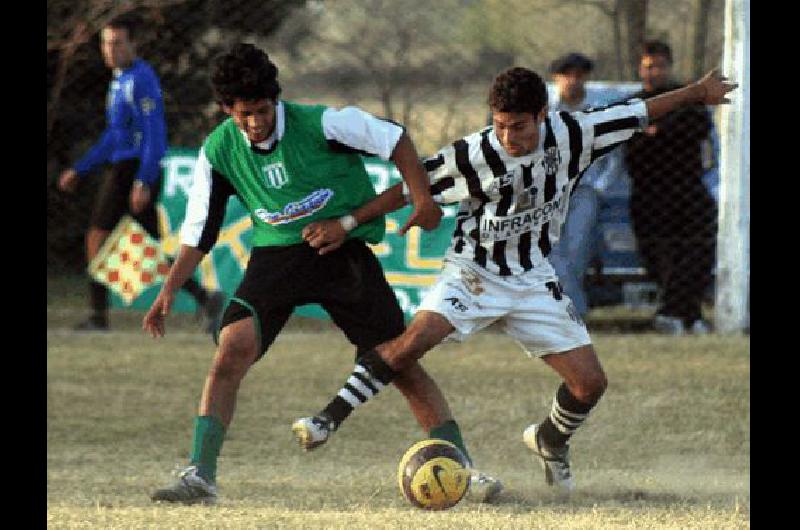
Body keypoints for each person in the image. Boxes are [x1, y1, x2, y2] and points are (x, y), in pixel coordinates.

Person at [293, 66, 736, 493]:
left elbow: (638, 112)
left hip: (531, 276)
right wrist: (348, 222)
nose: (509, 137)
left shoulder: (575, 134)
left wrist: (698, 91)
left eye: (519, 126)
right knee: (414, 342)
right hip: (474, 271)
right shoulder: (475, 154)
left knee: (589, 384)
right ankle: (327, 419)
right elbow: (412, 186)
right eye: (501, 125)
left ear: (543, 115)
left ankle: (550, 441)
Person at [143, 43, 501, 505]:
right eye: (243, 114)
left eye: (262, 110)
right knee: (231, 350)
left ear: (275, 99)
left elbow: (396, 140)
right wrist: (170, 289)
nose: (255, 122)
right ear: (227, 109)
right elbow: (199, 231)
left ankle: (463, 469)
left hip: (342, 252)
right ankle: (200, 476)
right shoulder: (218, 152)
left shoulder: (324, 123)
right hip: (276, 260)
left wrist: (422, 198)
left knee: (400, 364)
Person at [57, 14, 224, 333]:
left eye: (118, 43)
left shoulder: (141, 79)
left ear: (133, 44)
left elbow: (155, 133)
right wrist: (80, 168)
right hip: (123, 168)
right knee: (153, 248)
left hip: (133, 171)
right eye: (107, 43)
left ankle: (98, 317)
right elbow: (113, 135)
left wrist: (143, 180)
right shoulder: (118, 80)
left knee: (97, 237)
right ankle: (205, 298)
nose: (111, 49)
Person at [623, 41, 719, 335]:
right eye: (649, 66)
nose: (654, 72)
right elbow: (632, 148)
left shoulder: (687, 99)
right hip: (649, 192)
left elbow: (695, 128)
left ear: (669, 67)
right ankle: (684, 315)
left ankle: (677, 313)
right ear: (640, 68)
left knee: (698, 249)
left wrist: (657, 130)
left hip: (687, 189)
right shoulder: (632, 104)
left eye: (660, 66)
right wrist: (657, 134)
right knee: (659, 254)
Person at [546, 52, 631, 319]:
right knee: (550, 250)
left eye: (578, 75)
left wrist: (599, 187)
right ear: (556, 78)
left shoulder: (597, 111)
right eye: (567, 75)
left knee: (577, 248)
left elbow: (615, 155)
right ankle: (573, 310)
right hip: (549, 191)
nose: (573, 81)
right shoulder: (544, 111)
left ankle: (567, 310)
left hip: (585, 189)